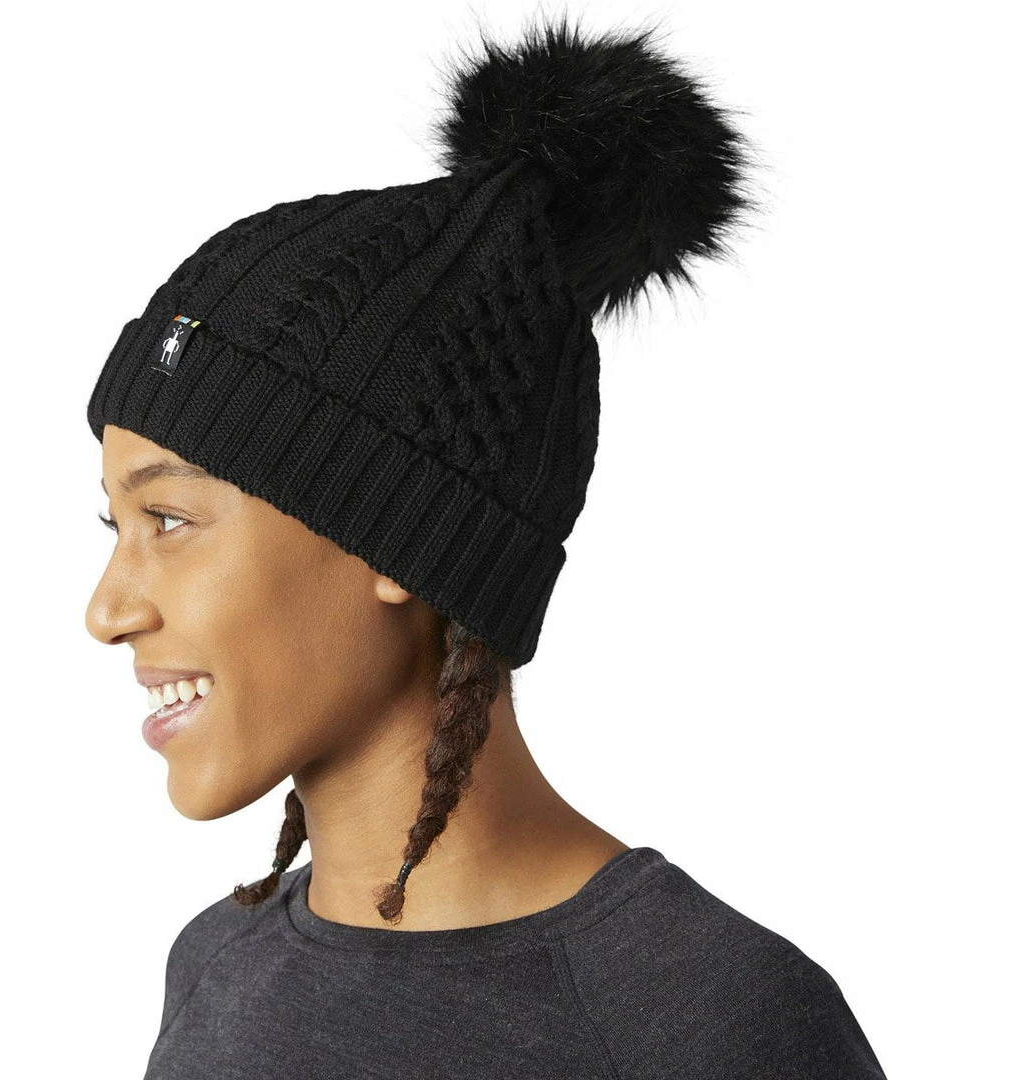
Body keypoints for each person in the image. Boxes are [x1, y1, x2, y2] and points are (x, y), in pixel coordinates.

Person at [85, 13, 888, 1078]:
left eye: (171, 521)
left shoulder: (706, 1020)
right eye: (115, 527)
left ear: (392, 537)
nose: (106, 611)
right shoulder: (215, 967)